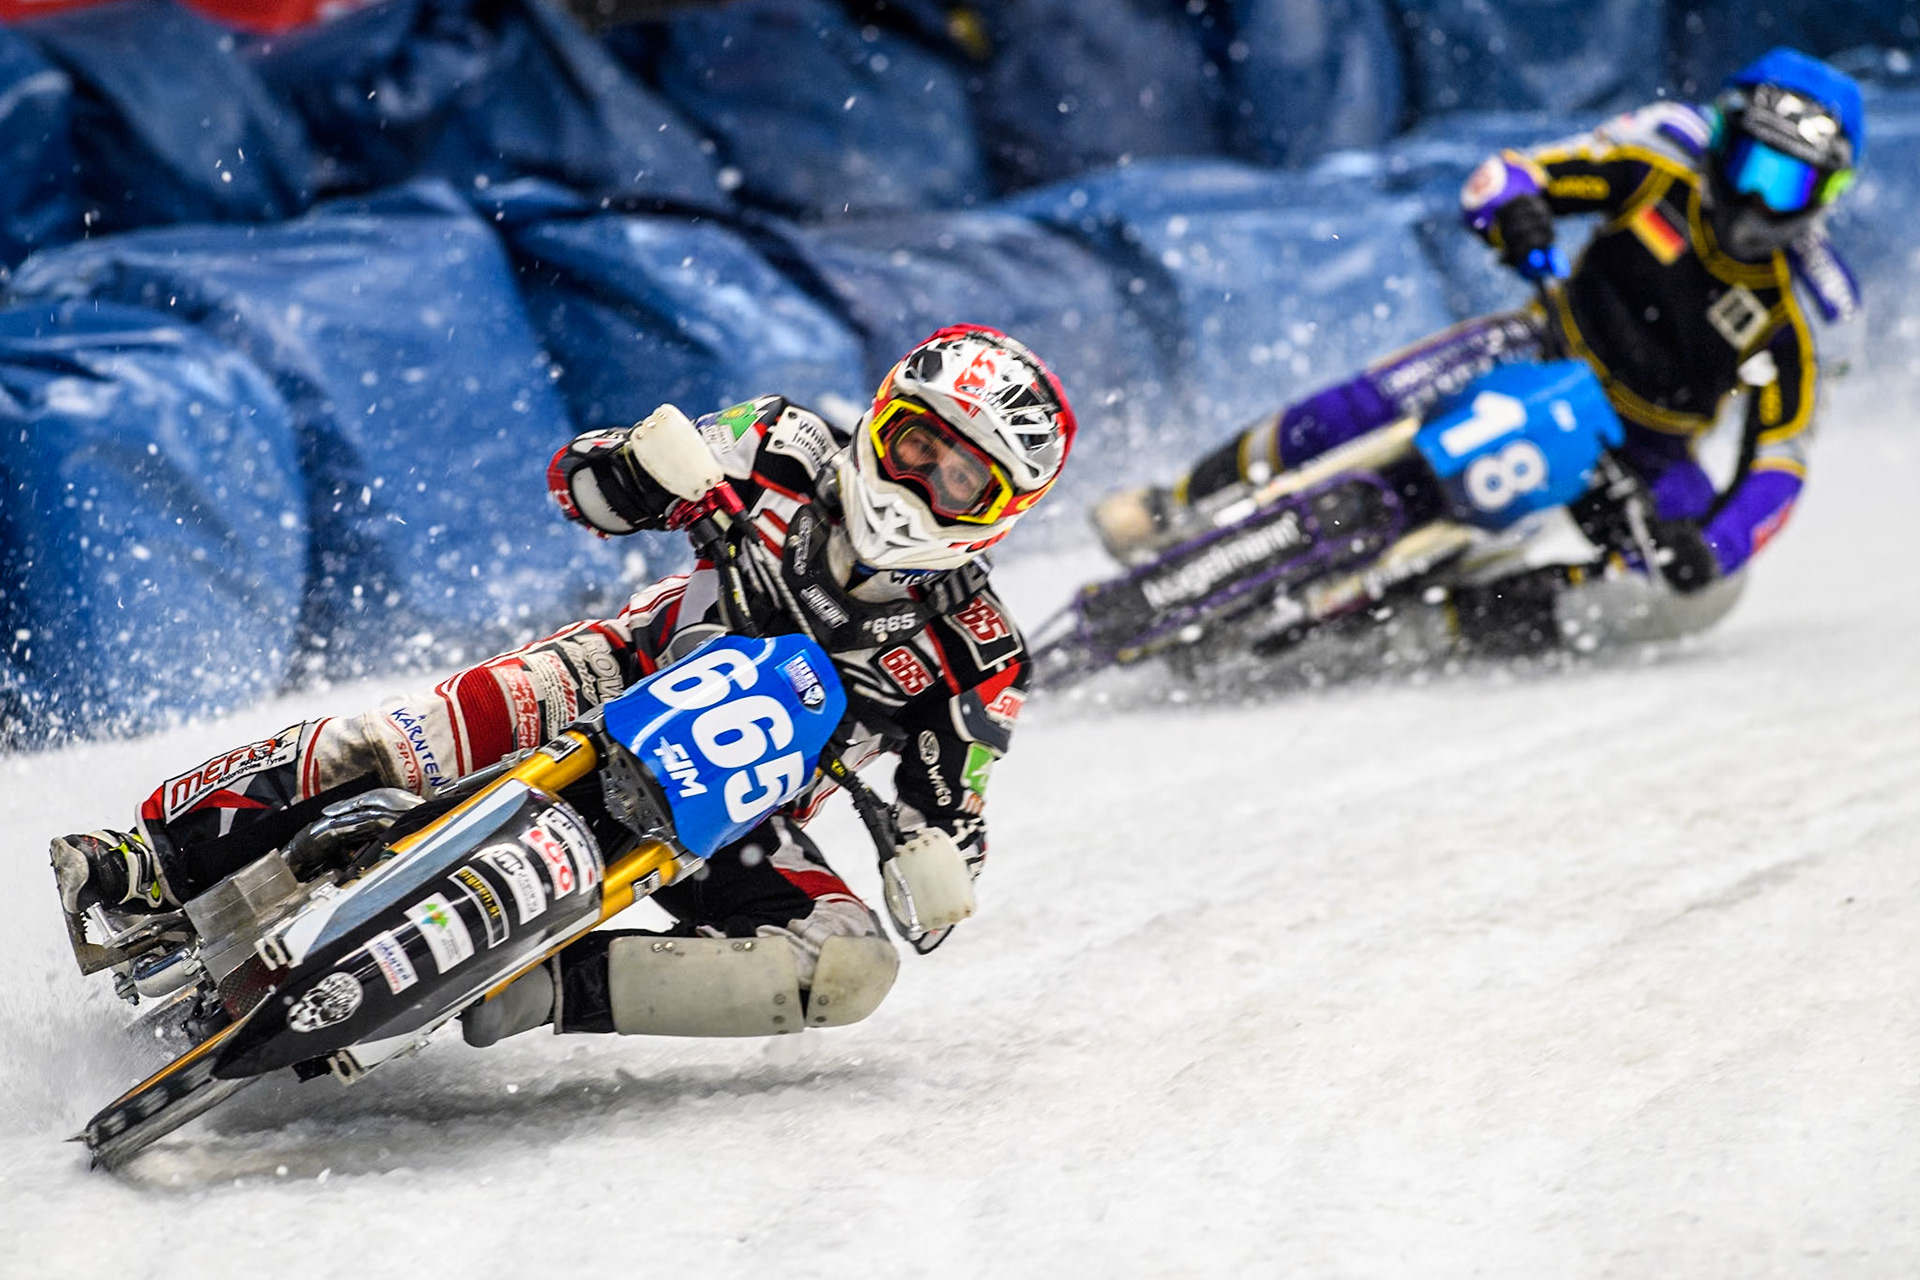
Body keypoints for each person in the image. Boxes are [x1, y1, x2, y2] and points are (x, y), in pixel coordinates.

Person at [50, 323, 1076, 1045]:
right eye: (917, 441)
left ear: (999, 509)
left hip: (726, 814)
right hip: (615, 671)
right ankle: (145, 858)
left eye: (959, 475)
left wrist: (932, 859)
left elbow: (952, 843)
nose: (921, 480)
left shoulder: (979, 650)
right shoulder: (784, 442)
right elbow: (577, 480)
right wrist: (637, 468)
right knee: (395, 739)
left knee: (852, 963)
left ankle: (540, 988)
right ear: (884, 415)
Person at [1095, 47, 1863, 657]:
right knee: (1370, 397)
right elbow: (1508, 175)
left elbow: (1781, 463)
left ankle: (1449, 627)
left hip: (1646, 454)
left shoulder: (1804, 313)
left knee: (1702, 595)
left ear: (1823, 201)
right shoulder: (1659, 158)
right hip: (1540, 343)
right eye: (1754, 169)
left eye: (1791, 187)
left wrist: (1712, 547)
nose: (1762, 202)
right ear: (1723, 142)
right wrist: (1519, 215)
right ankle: (1180, 502)